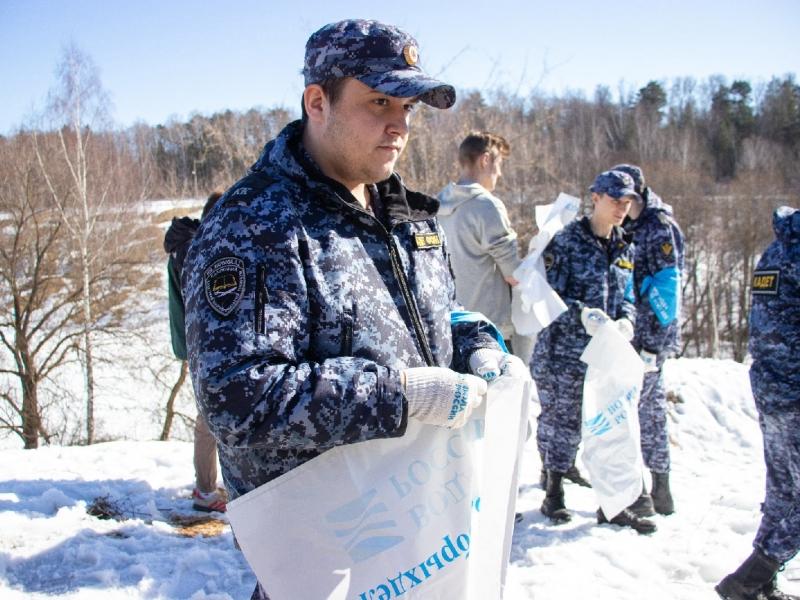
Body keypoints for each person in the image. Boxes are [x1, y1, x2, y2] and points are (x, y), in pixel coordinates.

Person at [181, 19, 527, 599]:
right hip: (329, 552)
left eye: (408, 107)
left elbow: (441, 317)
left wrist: (480, 346)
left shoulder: (409, 216)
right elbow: (235, 395)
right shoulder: (257, 224)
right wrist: (404, 395)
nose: (400, 124)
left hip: (426, 529)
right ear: (318, 102)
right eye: (378, 101)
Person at [533, 169, 656, 534]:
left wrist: (627, 320)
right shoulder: (566, 240)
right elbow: (546, 294)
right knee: (564, 425)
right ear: (596, 198)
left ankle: (611, 505)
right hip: (565, 353)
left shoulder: (624, 245)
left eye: (628, 201)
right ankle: (553, 492)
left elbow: (628, 295)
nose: (622, 207)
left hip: (607, 357)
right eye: (615, 200)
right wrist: (582, 313)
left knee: (612, 430)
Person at [715, 206, 800, 600]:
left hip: (773, 386)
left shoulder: (780, 247)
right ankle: (749, 578)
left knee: (784, 490)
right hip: (793, 390)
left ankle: (760, 583)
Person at [613, 163, 684, 517]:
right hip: (629, 330)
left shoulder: (658, 226)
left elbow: (666, 290)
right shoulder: (630, 225)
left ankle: (661, 487)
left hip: (650, 336)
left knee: (651, 411)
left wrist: (654, 345)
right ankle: (633, 485)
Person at [437, 131, 534, 363]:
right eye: (499, 164)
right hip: (489, 331)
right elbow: (514, 275)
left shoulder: (437, 203)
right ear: (486, 159)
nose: (499, 173)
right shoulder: (487, 206)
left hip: (449, 325)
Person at [164, 190, 226, 512]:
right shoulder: (197, 251)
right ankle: (205, 491)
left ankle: (207, 487)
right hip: (206, 345)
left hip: (196, 342)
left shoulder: (185, 245)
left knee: (211, 415)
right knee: (210, 417)